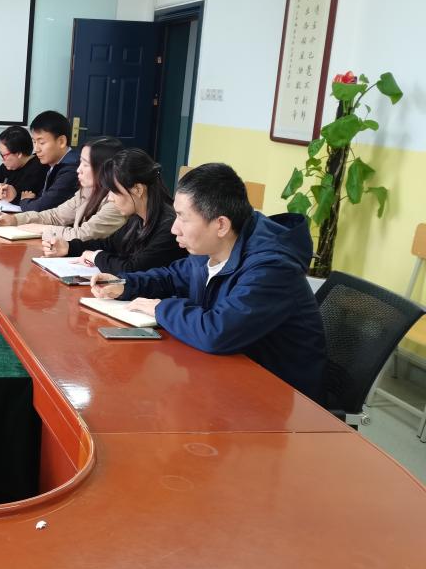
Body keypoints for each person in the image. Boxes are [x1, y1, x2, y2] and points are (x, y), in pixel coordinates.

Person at [91, 163, 326, 401]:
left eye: (183, 218)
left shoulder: (272, 268)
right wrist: (125, 283)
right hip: (226, 378)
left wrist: (160, 308)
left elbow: (217, 331)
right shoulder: (213, 248)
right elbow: (172, 276)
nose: (174, 228)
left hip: (279, 398)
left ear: (221, 225)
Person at [44, 148, 185, 273]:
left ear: (138, 189)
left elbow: (132, 269)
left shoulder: (170, 227)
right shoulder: (137, 218)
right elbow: (108, 244)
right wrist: (68, 247)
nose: (110, 198)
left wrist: (95, 256)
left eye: (114, 191)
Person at [0, 135, 126, 242]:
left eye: (85, 165)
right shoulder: (87, 191)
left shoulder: (117, 202)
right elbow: (56, 216)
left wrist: (42, 229)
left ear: (105, 168)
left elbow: (83, 235)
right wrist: (14, 219)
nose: (78, 170)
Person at [0, 110, 79, 212]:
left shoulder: (72, 169)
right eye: (34, 142)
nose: (36, 149)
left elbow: (41, 207)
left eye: (42, 142)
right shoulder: (54, 164)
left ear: (61, 141)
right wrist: (15, 196)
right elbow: (40, 199)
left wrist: (24, 200)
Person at [0, 125, 47, 200]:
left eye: (3, 155)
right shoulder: (13, 165)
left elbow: (12, 192)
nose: (2, 159)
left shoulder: (38, 168)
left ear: (18, 154)